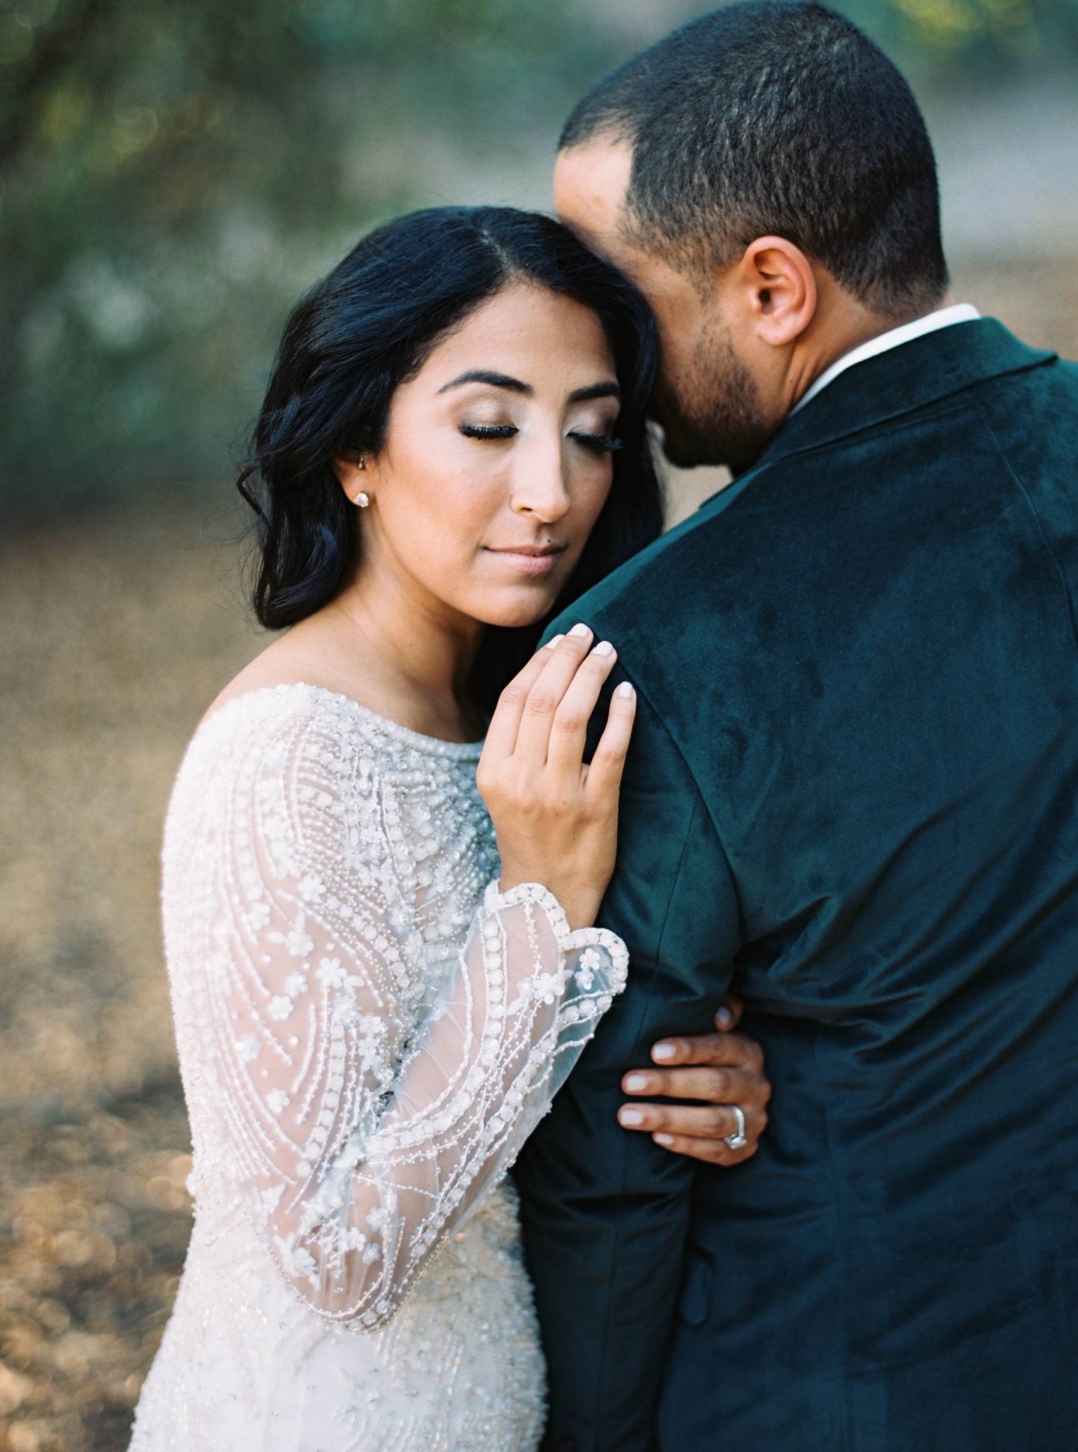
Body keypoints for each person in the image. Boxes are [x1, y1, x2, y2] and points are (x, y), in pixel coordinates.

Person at [513, 0, 1078, 1451]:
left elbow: (617, 1172)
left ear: (771, 288)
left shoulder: (651, 654)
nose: (599, 349)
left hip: (857, 1397)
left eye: (615, 294)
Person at [128, 206, 771, 1451]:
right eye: (488, 426)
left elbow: (515, 1096)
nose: (552, 491)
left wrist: (713, 1089)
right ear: (355, 449)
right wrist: (537, 907)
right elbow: (337, 1255)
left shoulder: (521, 709)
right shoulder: (284, 761)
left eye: (590, 435)